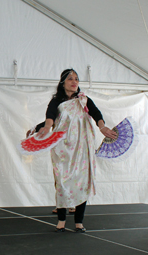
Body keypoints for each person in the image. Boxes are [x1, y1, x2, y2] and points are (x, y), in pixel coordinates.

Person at [36, 69, 117, 233]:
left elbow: (96, 113)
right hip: (63, 147)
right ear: (63, 82)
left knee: (82, 180)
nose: (74, 82)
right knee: (62, 180)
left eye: (77, 79)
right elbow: (50, 116)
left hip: (82, 146)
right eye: (70, 79)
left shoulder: (84, 100)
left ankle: (79, 221)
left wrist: (102, 127)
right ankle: (61, 220)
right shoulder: (57, 100)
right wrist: (46, 126)